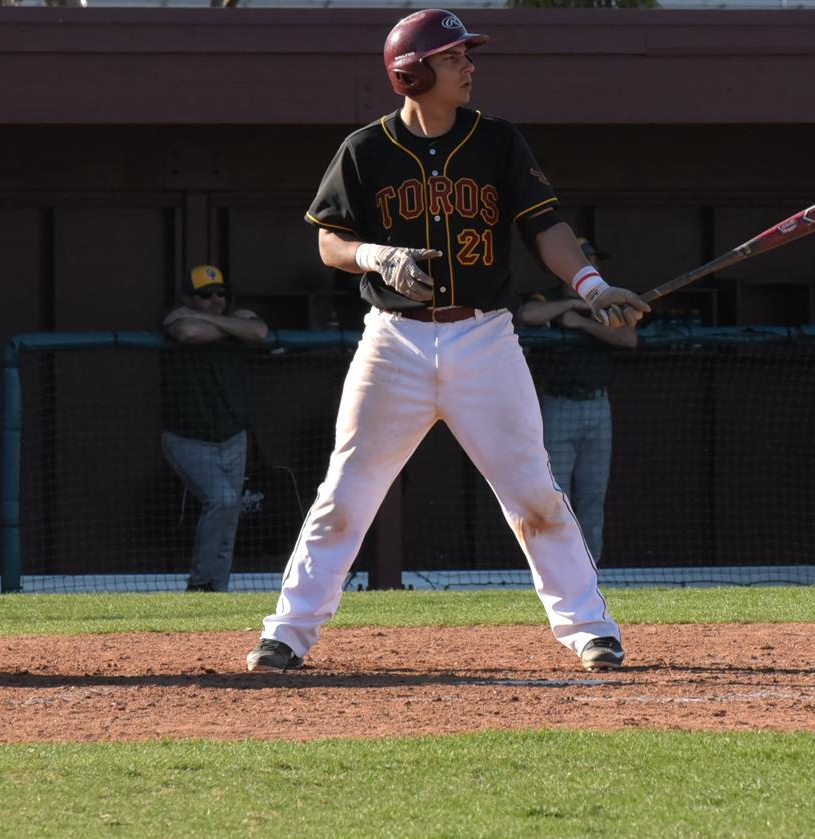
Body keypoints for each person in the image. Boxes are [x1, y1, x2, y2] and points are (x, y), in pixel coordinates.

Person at [245, 8, 648, 674]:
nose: (468, 66)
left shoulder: (498, 141)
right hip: (394, 342)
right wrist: (377, 255)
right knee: (345, 494)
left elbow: (545, 226)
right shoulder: (366, 149)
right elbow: (329, 241)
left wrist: (591, 284)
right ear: (411, 72)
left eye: (464, 55)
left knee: (535, 493)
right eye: (454, 56)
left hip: (483, 335)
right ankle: (286, 632)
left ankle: (589, 629)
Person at [516, 237, 636, 564]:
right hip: (558, 405)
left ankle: (590, 568)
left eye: (594, 261)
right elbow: (527, 314)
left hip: (598, 406)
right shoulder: (550, 297)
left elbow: (629, 337)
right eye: (585, 261)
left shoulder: (605, 301)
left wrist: (582, 320)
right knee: (556, 496)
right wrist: (570, 305)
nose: (592, 266)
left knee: (592, 496)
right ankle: (557, 567)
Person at [159, 264, 269, 593]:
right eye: (206, 296)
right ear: (188, 297)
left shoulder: (231, 315)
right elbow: (187, 333)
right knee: (221, 498)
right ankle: (201, 583)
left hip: (233, 437)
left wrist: (211, 322)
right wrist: (232, 328)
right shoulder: (174, 317)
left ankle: (216, 589)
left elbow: (259, 331)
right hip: (186, 439)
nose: (216, 300)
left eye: (221, 293)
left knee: (230, 511)